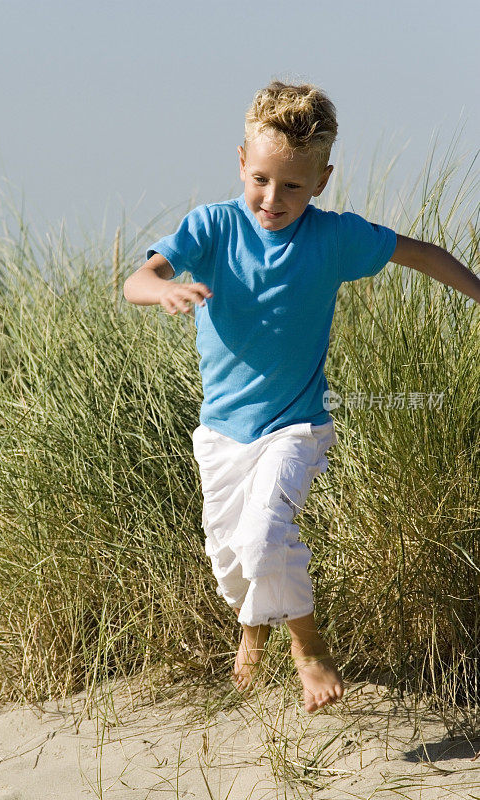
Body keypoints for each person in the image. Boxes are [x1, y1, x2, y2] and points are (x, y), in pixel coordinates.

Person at [123, 80, 480, 713]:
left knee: (265, 536)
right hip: (223, 434)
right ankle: (251, 628)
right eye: (261, 179)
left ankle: (308, 647)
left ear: (321, 179)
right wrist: (164, 292)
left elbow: (421, 254)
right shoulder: (212, 226)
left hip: (296, 426)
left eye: (292, 185)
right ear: (241, 162)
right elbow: (138, 279)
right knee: (229, 558)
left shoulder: (333, 237)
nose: (272, 198)